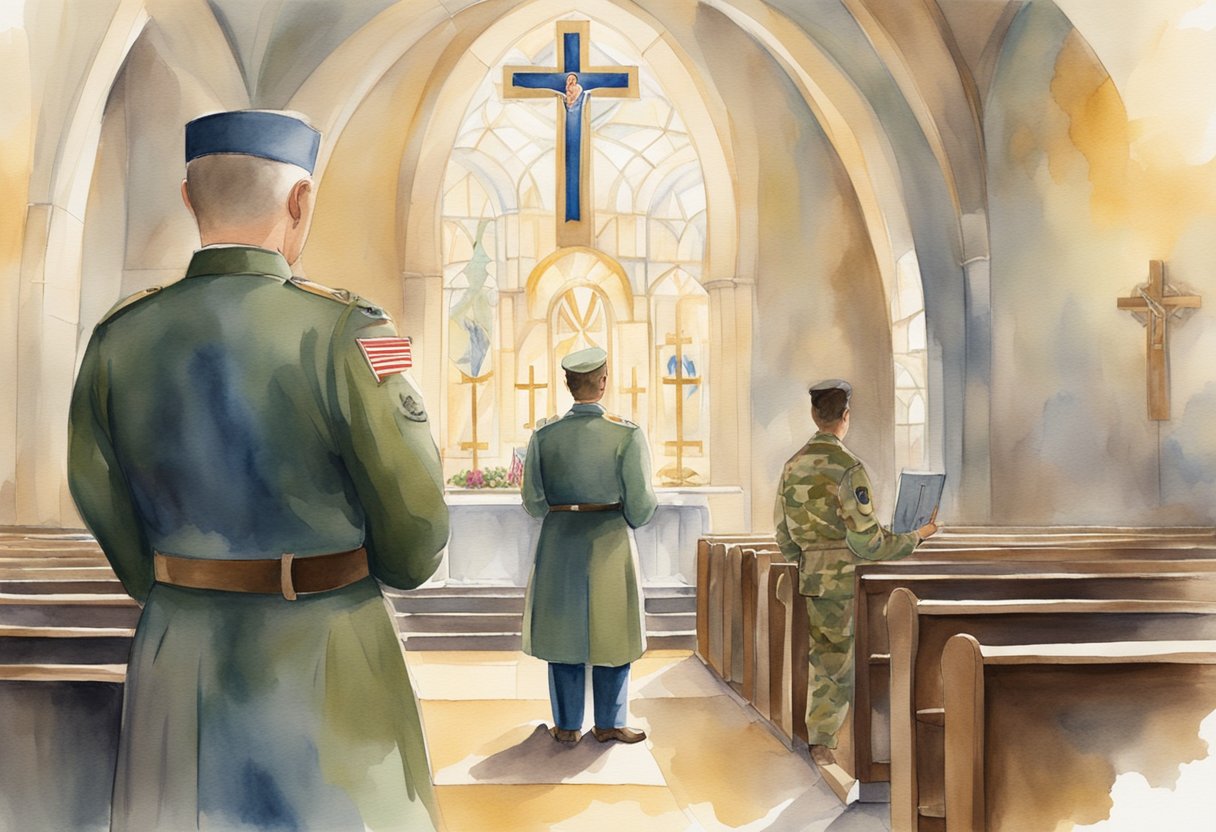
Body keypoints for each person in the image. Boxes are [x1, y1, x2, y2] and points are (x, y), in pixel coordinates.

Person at [67, 110, 449, 831]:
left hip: (178, 657)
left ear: (189, 199)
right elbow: (419, 528)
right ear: (299, 202)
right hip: (333, 654)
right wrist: (388, 566)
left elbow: (95, 489)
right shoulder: (359, 331)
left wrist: (173, 584)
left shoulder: (117, 337)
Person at [773, 379, 938, 765]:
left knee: (825, 660)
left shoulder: (792, 465)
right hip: (844, 578)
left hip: (814, 574)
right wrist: (917, 536)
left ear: (815, 415)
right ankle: (825, 742)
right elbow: (867, 542)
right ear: (845, 417)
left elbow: (783, 533)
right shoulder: (849, 468)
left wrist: (806, 562)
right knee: (837, 664)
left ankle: (828, 739)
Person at [520, 347, 658, 744]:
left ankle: (566, 726)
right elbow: (642, 506)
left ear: (568, 384)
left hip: (559, 541)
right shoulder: (626, 434)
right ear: (602, 381)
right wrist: (627, 518)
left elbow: (532, 501)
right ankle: (610, 723)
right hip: (609, 539)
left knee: (562, 634)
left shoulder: (544, 436)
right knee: (613, 633)